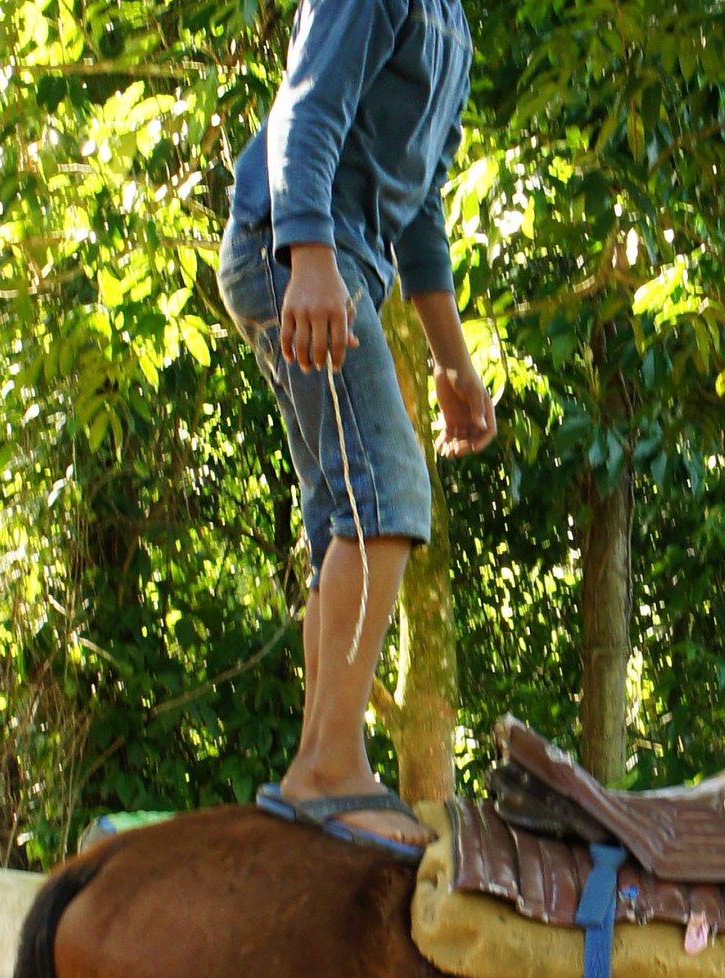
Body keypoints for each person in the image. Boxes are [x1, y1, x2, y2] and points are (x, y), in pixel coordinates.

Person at [216, 0, 496, 861]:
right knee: (389, 495)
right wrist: (308, 256)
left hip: (337, 267)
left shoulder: (454, 28)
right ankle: (330, 766)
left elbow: (422, 211)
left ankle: (316, 764)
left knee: (345, 516)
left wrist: (454, 363)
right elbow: (306, 108)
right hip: (297, 253)